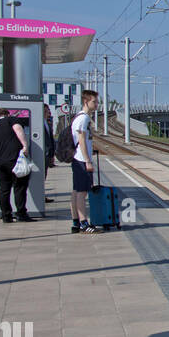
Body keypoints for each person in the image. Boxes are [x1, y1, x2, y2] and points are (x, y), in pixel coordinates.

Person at [0, 108, 33, 222]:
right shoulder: (11, 120)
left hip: (1, 163)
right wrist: (25, 146)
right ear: (7, 114)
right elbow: (18, 130)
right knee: (20, 187)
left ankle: (6, 215)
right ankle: (21, 213)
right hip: (14, 160)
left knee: (4, 189)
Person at [71, 90, 101, 234]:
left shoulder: (79, 117)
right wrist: (88, 161)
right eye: (94, 101)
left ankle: (76, 222)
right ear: (86, 102)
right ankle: (83, 223)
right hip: (81, 160)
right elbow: (81, 140)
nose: (97, 104)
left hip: (79, 159)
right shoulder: (84, 119)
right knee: (82, 193)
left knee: (76, 191)